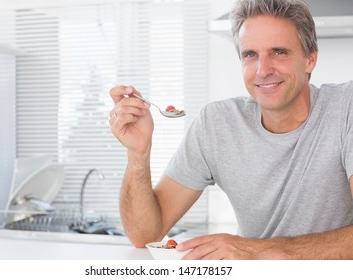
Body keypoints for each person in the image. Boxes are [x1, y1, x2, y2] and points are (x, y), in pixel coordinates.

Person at [108, 0, 353, 259]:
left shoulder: (345, 108)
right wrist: (138, 153)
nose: (263, 70)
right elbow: (144, 235)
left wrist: (256, 251)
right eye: (250, 55)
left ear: (310, 59)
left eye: (279, 52)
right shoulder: (217, 124)